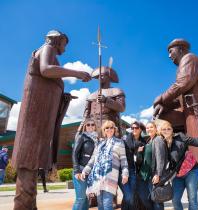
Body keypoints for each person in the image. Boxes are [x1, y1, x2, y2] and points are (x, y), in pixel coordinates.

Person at [11, 30, 91, 210]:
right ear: (57, 41)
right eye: (64, 43)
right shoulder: (47, 48)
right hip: (33, 121)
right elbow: (45, 69)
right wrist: (77, 73)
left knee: (31, 171)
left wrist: (63, 98)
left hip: (38, 121)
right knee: (28, 168)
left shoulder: (50, 52)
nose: (64, 48)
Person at [153, 39, 198, 210]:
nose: (169, 56)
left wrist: (161, 98)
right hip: (192, 118)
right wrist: (164, 107)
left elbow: (182, 84)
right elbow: (180, 98)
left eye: (171, 51)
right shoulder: (183, 67)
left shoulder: (190, 59)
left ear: (181, 49)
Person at [158, 120, 198, 210]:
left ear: (172, 130)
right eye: (164, 129)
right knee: (175, 199)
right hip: (177, 175)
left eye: (168, 129)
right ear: (160, 131)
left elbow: (196, 141)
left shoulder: (180, 137)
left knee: (192, 198)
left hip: (192, 171)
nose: (166, 131)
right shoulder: (161, 143)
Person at [82, 120, 128, 210]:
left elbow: (123, 159)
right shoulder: (100, 144)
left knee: (107, 203)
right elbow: (93, 158)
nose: (109, 129)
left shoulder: (119, 142)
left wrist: (125, 173)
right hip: (98, 177)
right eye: (107, 128)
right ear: (104, 130)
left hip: (110, 176)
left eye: (111, 127)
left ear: (114, 129)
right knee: (100, 203)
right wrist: (85, 170)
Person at [79, 66, 125, 137]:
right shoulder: (92, 95)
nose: (99, 78)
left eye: (102, 76)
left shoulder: (116, 91)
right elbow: (86, 115)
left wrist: (106, 100)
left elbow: (121, 108)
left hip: (109, 127)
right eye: (98, 77)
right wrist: (79, 130)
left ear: (109, 77)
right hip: (93, 128)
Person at [136, 121, 167, 210]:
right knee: (145, 198)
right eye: (147, 128)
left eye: (151, 127)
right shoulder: (149, 140)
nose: (149, 129)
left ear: (156, 128)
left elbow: (160, 158)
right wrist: (140, 152)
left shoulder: (158, 139)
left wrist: (158, 174)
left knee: (157, 200)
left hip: (153, 175)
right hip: (144, 175)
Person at [119, 121, 146, 210]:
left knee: (133, 193)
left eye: (136, 128)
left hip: (135, 171)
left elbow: (140, 161)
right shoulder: (126, 139)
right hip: (125, 170)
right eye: (132, 128)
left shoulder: (143, 142)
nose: (134, 129)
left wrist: (138, 153)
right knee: (128, 194)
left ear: (141, 129)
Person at [72, 119, 98, 210]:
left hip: (91, 172)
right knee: (80, 198)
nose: (90, 126)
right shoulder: (81, 137)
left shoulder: (97, 139)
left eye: (92, 124)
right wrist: (76, 170)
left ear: (95, 126)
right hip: (80, 170)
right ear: (85, 127)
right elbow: (74, 153)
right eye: (88, 125)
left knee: (86, 198)